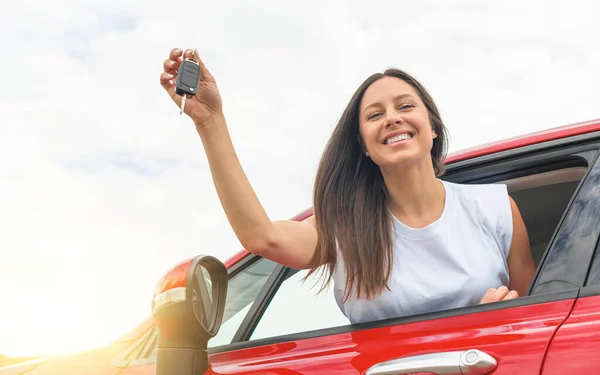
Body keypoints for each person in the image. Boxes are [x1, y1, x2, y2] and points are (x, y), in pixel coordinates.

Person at [160, 48, 536, 324]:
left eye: (405, 106)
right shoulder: (345, 228)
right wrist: (210, 121)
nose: (391, 118)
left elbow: (537, 316)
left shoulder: (496, 208)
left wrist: (500, 319)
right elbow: (263, 238)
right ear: (364, 146)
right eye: (375, 115)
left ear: (432, 127)